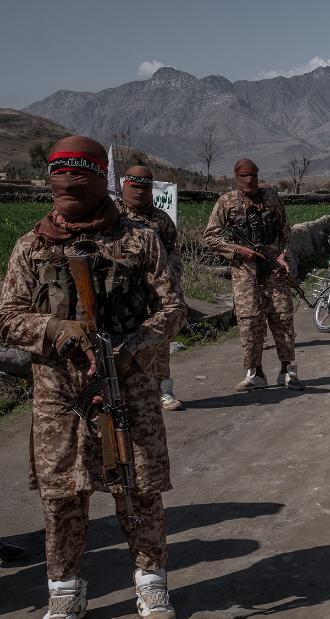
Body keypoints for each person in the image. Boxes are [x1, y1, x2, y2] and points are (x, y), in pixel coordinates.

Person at [0, 136, 185, 618]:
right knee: (62, 494)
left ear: (101, 178)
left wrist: (131, 347)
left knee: (139, 489)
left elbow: (171, 308)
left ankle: (151, 583)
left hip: (127, 384)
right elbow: (8, 315)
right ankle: (65, 591)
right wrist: (54, 329)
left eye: (80, 175)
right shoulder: (31, 246)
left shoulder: (140, 238)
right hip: (58, 394)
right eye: (60, 175)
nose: (69, 185)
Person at [203, 159, 301, 391]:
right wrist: (238, 250)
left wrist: (283, 254)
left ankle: (287, 370)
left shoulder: (271, 199)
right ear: (236, 177)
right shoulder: (226, 202)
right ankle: (255, 373)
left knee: (282, 318)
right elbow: (210, 237)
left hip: (274, 271)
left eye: (254, 176)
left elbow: (284, 231)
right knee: (249, 322)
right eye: (245, 176)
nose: (250, 180)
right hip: (245, 273)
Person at [120, 166, 184, 411]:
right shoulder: (112, 215)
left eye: (144, 188)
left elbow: (173, 253)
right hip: (122, 295)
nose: (139, 193)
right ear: (126, 186)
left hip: (156, 294)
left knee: (158, 343)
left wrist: (170, 280)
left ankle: (163, 391)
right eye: (134, 187)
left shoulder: (161, 220)